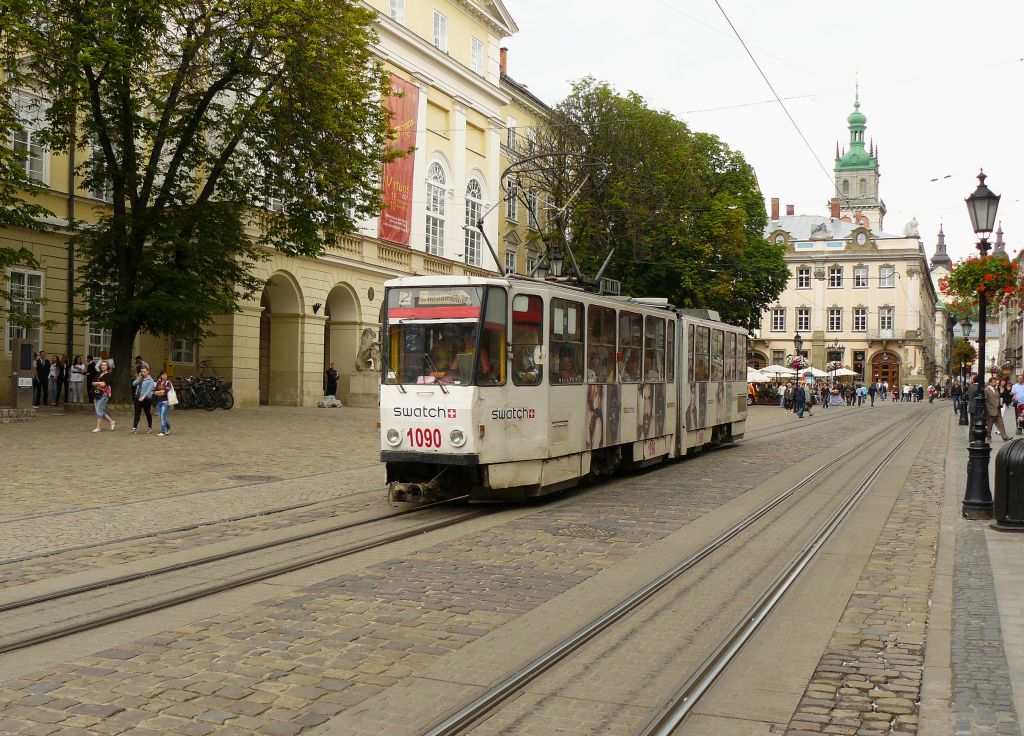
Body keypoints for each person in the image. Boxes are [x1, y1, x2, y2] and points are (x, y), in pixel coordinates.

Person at [91, 360, 115, 432]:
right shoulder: (98, 374)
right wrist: (98, 383)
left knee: (99, 410)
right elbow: (92, 383)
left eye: (104, 365)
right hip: (96, 393)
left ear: (107, 367)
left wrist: (97, 383)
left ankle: (98, 428)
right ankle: (111, 421)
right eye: (102, 365)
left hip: (104, 394)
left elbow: (104, 384)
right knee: (99, 410)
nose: (103, 366)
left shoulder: (109, 375)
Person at [130, 366, 155, 433]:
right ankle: (134, 427)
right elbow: (134, 384)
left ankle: (149, 427)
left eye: (144, 372)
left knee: (147, 413)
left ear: (148, 372)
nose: (143, 373)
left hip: (146, 399)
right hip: (137, 398)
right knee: (137, 413)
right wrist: (139, 378)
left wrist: (143, 396)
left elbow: (149, 389)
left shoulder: (150, 380)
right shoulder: (140, 378)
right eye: (142, 372)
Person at [986, 377, 1010, 441]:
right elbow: (985, 401)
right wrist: (987, 409)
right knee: (989, 426)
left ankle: (1005, 437)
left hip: (997, 409)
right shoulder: (987, 390)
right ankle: (988, 437)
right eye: (993, 382)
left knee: (1001, 424)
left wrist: (1000, 404)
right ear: (990, 382)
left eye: (995, 382)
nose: (995, 383)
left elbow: (998, 398)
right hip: (990, 410)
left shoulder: (996, 389)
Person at [153, 369, 173, 436]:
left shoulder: (168, 382)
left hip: (166, 402)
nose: (164, 376)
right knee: (161, 417)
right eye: (163, 375)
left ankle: (162, 431)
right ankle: (169, 427)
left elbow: (165, 392)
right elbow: (155, 391)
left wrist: (160, 392)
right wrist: (159, 392)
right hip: (159, 402)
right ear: (161, 375)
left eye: (165, 375)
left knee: (162, 416)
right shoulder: (158, 382)